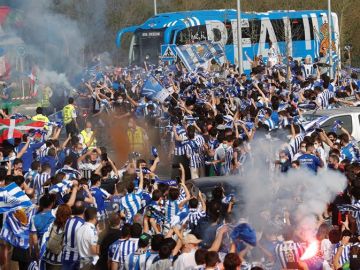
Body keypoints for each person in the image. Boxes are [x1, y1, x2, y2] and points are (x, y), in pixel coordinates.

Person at [61, 201, 85, 270]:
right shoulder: (83, 224)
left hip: (66, 256)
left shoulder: (68, 221)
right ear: (84, 210)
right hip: (77, 259)